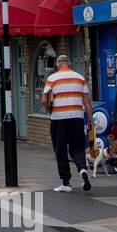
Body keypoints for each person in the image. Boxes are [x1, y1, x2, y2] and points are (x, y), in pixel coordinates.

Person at [41, 53, 93, 193]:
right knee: (78, 147)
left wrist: (48, 111)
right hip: (77, 118)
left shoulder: (52, 78)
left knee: (60, 149)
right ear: (69, 63)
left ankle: (66, 182)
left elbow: (44, 100)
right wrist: (90, 119)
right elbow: (87, 101)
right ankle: (82, 169)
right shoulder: (80, 78)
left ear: (58, 64)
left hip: (59, 119)